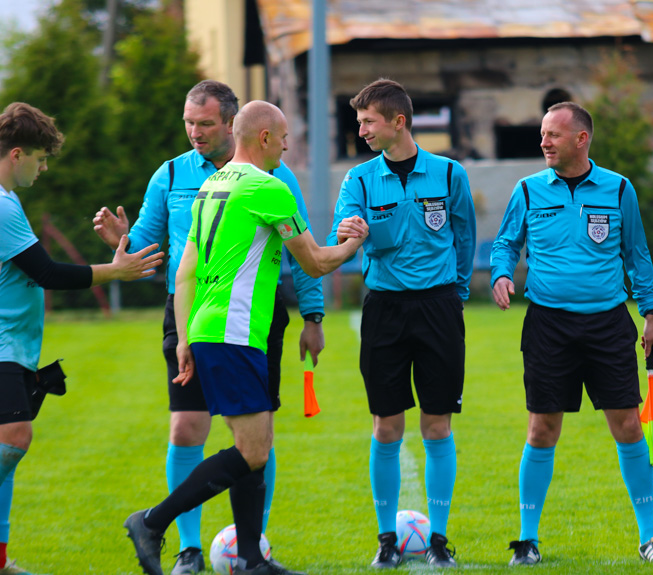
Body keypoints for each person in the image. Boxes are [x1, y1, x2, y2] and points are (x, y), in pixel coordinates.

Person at [123, 100, 368, 575]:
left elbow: (187, 269)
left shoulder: (211, 185)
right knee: (253, 450)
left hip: (212, 328)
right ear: (262, 138)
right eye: (282, 138)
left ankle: (253, 559)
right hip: (236, 332)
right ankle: (152, 521)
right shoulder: (267, 188)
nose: (286, 146)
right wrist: (355, 241)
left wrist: (184, 338)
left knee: (255, 444)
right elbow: (314, 261)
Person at [491, 101, 653, 565]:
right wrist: (500, 273)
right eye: (542, 133)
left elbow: (637, 254)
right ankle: (527, 541)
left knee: (629, 425)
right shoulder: (529, 190)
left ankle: (651, 538)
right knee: (541, 429)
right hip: (548, 324)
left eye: (553, 134)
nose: (543, 142)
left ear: (581, 139)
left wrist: (650, 315)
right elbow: (505, 241)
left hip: (609, 323)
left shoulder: (618, 189)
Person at [0, 102, 163, 575]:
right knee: (13, 438)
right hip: (3, 345)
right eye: (40, 157)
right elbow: (46, 272)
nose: (44, 167)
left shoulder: (9, 202)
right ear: (16, 154)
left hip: (16, 346)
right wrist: (115, 270)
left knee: (6, 451)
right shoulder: (3, 205)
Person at [328, 79, 476, 569]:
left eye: (369, 121)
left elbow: (464, 233)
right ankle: (387, 542)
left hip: (438, 310)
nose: (362, 130)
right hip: (385, 310)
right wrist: (351, 232)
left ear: (399, 121)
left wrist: (455, 295)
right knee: (386, 426)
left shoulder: (449, 173)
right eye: (359, 123)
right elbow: (342, 231)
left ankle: (438, 541)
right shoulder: (360, 180)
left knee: (437, 426)